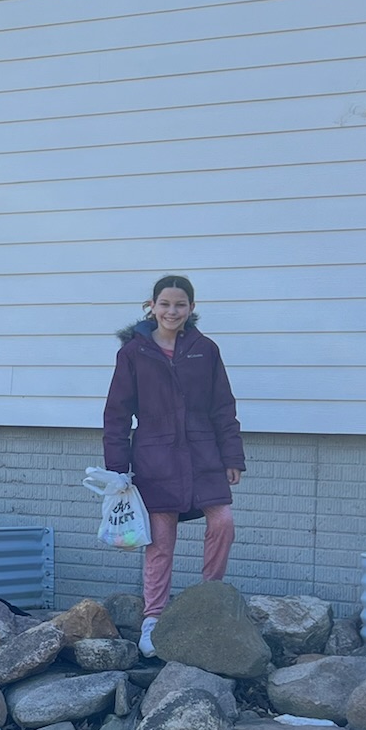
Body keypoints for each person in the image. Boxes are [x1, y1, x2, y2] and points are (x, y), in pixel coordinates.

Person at [102, 274, 245, 657]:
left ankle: (209, 597)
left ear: (191, 308)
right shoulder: (134, 353)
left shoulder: (205, 350)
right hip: (155, 457)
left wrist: (232, 456)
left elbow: (223, 406)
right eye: (165, 304)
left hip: (204, 454)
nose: (172, 311)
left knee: (223, 521)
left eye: (180, 304)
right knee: (160, 541)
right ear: (151, 306)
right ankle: (153, 618)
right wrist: (117, 468)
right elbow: (117, 413)